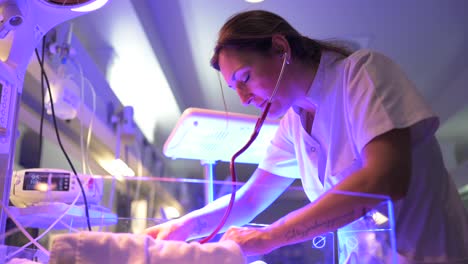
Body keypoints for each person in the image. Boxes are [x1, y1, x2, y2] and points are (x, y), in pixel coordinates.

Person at [144, 10, 468, 263]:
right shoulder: (293, 125)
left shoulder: (361, 74)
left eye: (245, 77)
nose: (243, 97)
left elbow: (383, 179)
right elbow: (251, 198)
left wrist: (269, 237)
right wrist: (181, 227)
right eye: (234, 87)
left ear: (281, 48)